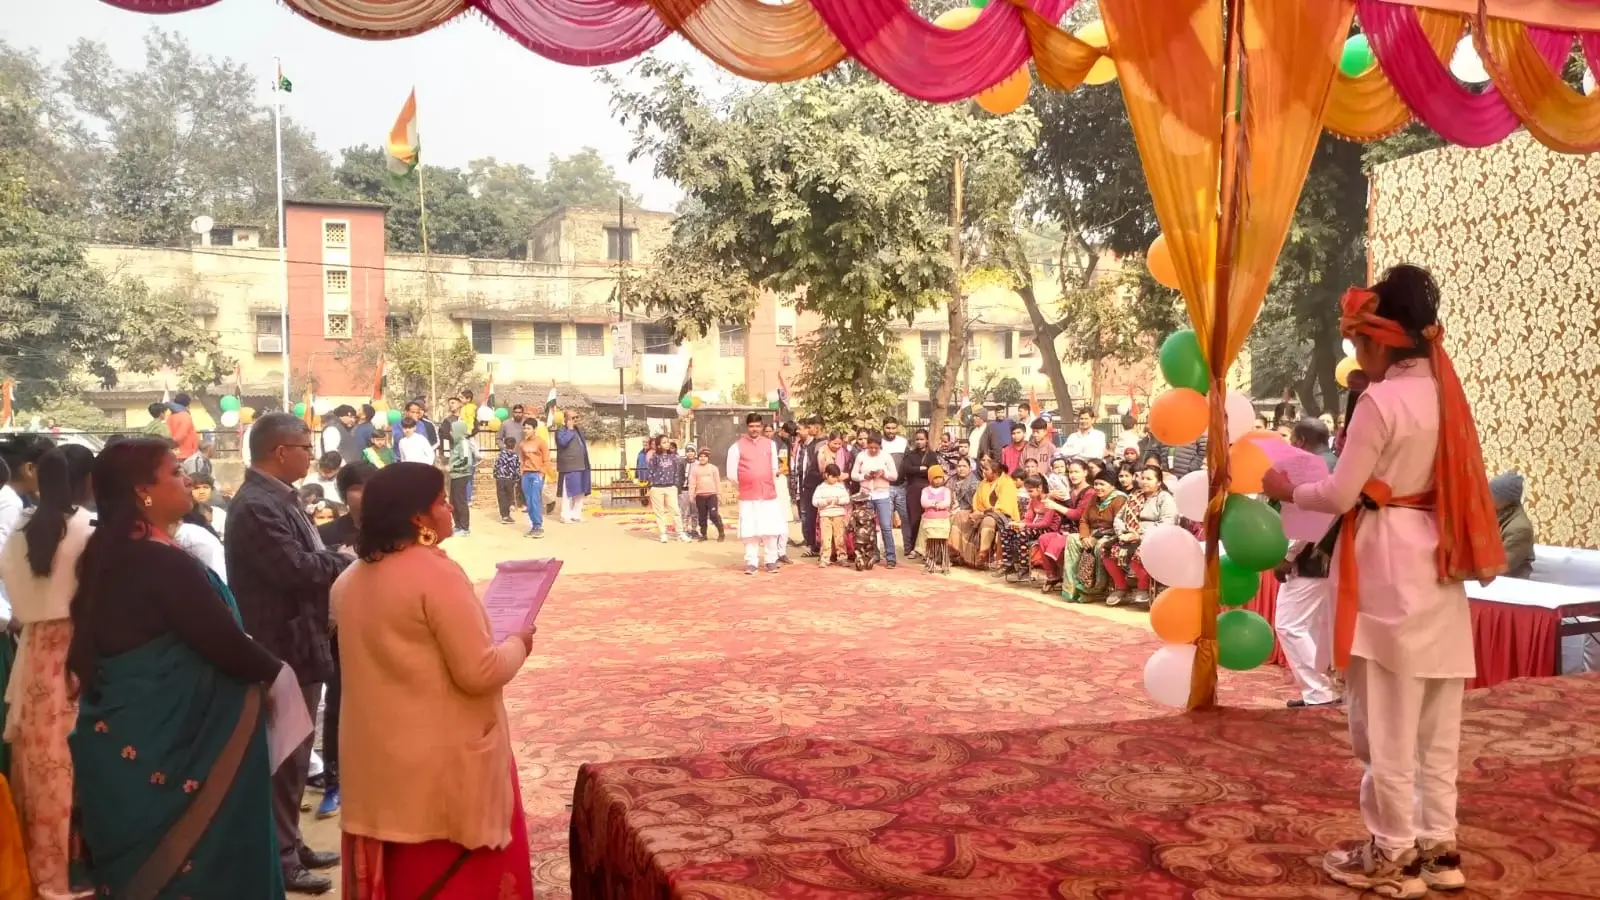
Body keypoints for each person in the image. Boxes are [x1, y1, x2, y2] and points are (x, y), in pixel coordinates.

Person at [1262, 265, 1504, 897]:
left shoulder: (1382, 401)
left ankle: (1393, 854)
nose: (1356, 356)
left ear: (1379, 339)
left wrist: (1287, 487)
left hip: (1387, 563)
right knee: (1435, 724)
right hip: (1439, 560)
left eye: (1357, 342)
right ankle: (1439, 849)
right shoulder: (1443, 392)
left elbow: (1340, 493)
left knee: (1385, 725)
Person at [67, 438, 286, 898]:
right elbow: (223, 643)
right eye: (174, 472)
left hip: (127, 739)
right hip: (179, 748)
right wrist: (277, 674)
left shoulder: (113, 554)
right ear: (142, 490)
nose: (187, 480)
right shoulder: (158, 561)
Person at [332, 462, 536, 898]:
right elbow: (479, 671)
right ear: (418, 517)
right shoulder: (434, 573)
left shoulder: (349, 579)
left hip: (378, 766)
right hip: (441, 771)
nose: (450, 509)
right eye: (442, 502)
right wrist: (518, 644)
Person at [224, 412, 350, 894]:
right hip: (281, 646)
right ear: (280, 452)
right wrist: (343, 560)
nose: (310, 456)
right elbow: (294, 568)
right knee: (285, 755)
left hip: (300, 641)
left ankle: (291, 843)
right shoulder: (257, 506)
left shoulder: (279, 499)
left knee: (296, 755)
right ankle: (280, 856)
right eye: (305, 447)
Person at [0, 445, 94, 900]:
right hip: (77, 650)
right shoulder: (87, 529)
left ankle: (40, 871)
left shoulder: (17, 532)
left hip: (33, 650)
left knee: (37, 767)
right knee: (75, 766)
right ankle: (74, 871)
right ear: (86, 481)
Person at [312, 461, 375, 821]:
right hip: (339, 633)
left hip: (385, 630)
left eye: (369, 487)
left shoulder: (394, 531)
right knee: (337, 704)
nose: (362, 495)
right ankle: (334, 782)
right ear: (343, 493)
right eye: (356, 487)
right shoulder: (326, 534)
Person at [1272, 419, 1339, 710]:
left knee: (1289, 624)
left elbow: (1310, 518)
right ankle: (1324, 689)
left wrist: (1287, 557)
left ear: (1299, 441)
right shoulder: (1336, 463)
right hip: (1332, 556)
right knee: (1312, 627)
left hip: (1312, 558)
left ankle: (1320, 691)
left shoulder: (1313, 468)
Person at [1105, 464, 1179, 606]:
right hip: (1129, 534)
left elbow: (1167, 524)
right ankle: (1121, 588)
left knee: (1139, 553)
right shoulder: (1134, 496)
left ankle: (1143, 587)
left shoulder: (1165, 498)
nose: (1144, 481)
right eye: (1142, 478)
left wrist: (1139, 536)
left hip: (1155, 538)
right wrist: (1122, 533)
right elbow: (1119, 518)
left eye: (1149, 479)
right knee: (1105, 549)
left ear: (1158, 482)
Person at [727, 413, 786, 574]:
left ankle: (771, 560)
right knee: (750, 531)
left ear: (761, 426)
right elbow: (731, 474)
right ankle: (751, 562)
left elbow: (774, 468)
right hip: (748, 496)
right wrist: (747, 483)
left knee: (770, 530)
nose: (754, 429)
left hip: (768, 495)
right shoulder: (736, 447)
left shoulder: (770, 444)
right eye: (751, 426)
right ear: (747, 427)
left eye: (757, 426)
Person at [1037, 459, 1094, 597]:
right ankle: (1054, 576)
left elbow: (1078, 515)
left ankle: (1070, 578)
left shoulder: (1090, 492)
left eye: (1076, 472)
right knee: (1044, 539)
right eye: (1071, 472)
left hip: (1083, 530)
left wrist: (1056, 506)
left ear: (1085, 472)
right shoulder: (1070, 490)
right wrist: (1050, 497)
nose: (1073, 475)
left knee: (1057, 543)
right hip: (1067, 528)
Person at [1072, 471, 1127, 602]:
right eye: (1096, 484)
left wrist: (1095, 537)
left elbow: (1118, 525)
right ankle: (1073, 587)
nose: (1097, 487)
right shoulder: (1094, 498)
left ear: (1112, 485)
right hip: (1091, 534)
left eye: (1102, 484)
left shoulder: (1119, 499)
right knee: (1072, 540)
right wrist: (1084, 537)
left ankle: (1096, 588)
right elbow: (1084, 519)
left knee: (1100, 546)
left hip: (1111, 535)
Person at [850, 434, 899, 569]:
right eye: (870, 447)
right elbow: (853, 475)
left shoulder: (886, 456)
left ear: (880, 447)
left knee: (886, 527)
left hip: (882, 494)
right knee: (868, 528)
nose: (873, 450)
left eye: (875, 448)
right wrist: (864, 476)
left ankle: (890, 557)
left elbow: (894, 476)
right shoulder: (861, 456)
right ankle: (873, 555)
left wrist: (883, 473)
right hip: (866, 495)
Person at [998, 475, 1060, 582]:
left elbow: (1046, 523)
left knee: (1022, 533)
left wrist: (1025, 526)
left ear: (1040, 488)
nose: (1029, 494)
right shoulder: (1033, 500)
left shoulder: (1049, 500)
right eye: (1027, 491)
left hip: (1049, 529)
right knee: (1007, 531)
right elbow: (1028, 518)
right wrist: (1017, 523)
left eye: (1031, 491)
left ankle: (1024, 567)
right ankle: (1009, 564)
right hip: (1034, 527)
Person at [900, 428, 938, 562]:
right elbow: (906, 469)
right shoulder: (910, 455)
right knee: (914, 519)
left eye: (922, 439)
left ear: (927, 440)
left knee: (928, 518)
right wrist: (920, 469)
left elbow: (933, 471)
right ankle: (914, 548)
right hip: (913, 489)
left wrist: (917, 470)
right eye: (917, 439)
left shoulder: (932, 455)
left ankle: (928, 548)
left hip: (928, 489)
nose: (919, 442)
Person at [1489, 471, 1535, 577]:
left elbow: (1499, 567)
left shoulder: (1520, 529)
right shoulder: (1500, 513)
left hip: (1509, 584)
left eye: (1490, 494)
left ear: (1505, 500)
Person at [644, 438, 688, 543]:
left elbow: (677, 472)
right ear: (659, 445)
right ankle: (663, 534)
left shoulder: (674, 457)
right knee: (659, 512)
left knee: (675, 510)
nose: (667, 444)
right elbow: (650, 472)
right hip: (657, 488)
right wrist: (652, 485)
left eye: (667, 442)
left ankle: (680, 533)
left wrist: (675, 485)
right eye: (664, 442)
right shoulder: (655, 457)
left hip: (670, 487)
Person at [174, 502, 228, 582]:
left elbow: (218, 571)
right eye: (207, 521)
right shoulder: (192, 534)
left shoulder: (194, 536)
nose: (209, 524)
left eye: (209, 522)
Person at [554, 411, 592, 524]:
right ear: (565, 419)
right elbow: (562, 442)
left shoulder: (578, 430)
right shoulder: (560, 431)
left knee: (580, 492)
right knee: (568, 492)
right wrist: (569, 429)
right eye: (573, 418)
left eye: (577, 417)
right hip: (569, 467)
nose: (575, 419)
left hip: (582, 465)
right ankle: (565, 516)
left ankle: (576, 515)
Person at [880, 418, 908, 558]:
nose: (891, 431)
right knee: (886, 522)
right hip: (885, 486)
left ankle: (908, 548)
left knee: (905, 519)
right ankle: (888, 550)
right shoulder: (880, 444)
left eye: (893, 428)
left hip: (902, 486)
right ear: (883, 428)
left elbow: (907, 462)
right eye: (888, 428)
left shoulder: (903, 442)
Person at [812, 463, 850, 566]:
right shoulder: (820, 488)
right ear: (826, 475)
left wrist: (838, 500)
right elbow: (814, 502)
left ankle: (842, 557)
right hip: (825, 515)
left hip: (838, 514)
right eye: (833, 477)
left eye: (837, 477)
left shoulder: (840, 487)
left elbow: (847, 499)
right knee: (826, 537)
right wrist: (825, 501)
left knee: (840, 537)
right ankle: (825, 558)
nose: (835, 479)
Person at [919, 465, 954, 574]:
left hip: (942, 520)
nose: (938, 480)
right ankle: (930, 565)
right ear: (930, 479)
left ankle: (945, 566)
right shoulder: (925, 490)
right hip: (930, 521)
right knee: (931, 543)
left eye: (940, 477)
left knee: (943, 543)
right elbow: (924, 503)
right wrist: (936, 503)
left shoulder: (946, 490)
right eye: (935, 478)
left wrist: (935, 505)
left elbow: (947, 503)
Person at [518, 421, 550, 538]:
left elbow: (547, 460)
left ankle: (538, 526)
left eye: (529, 428)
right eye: (525, 428)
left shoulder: (541, 442)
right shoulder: (522, 444)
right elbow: (522, 459)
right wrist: (522, 472)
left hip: (537, 474)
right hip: (526, 474)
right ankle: (533, 525)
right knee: (528, 501)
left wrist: (542, 473)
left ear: (535, 429)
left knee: (535, 500)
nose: (526, 431)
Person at [688, 448, 725, 542]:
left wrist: (719, 494)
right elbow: (692, 483)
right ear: (698, 457)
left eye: (705, 456)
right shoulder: (695, 469)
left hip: (712, 495)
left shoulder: (713, 468)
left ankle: (721, 533)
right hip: (700, 496)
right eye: (701, 456)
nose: (703, 458)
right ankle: (704, 535)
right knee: (702, 516)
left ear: (708, 458)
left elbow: (717, 482)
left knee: (713, 515)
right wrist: (691, 495)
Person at [447, 420, 473, 536]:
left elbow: (466, 462)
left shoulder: (464, 443)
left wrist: (452, 467)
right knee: (453, 501)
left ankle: (465, 527)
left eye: (452, 430)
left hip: (461, 475)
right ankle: (457, 525)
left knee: (460, 501)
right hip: (454, 475)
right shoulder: (456, 443)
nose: (450, 433)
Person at [493, 435, 520, 525]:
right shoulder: (515, 456)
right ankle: (507, 514)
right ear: (514, 445)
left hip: (500, 479)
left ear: (504, 444)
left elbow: (496, 466)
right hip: (510, 479)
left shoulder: (500, 455)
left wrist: (495, 476)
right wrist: (517, 479)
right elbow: (517, 469)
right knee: (509, 496)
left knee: (501, 497)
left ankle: (504, 516)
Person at [166, 393, 199, 460]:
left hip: (176, 452)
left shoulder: (170, 416)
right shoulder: (185, 416)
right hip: (185, 452)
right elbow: (180, 435)